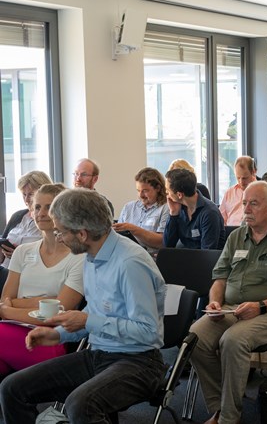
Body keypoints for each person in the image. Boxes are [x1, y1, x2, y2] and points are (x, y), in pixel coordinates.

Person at [0, 189, 166, 423]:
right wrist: (58, 335)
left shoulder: (130, 263)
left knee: (80, 405)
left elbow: (148, 332)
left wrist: (87, 321)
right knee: (12, 388)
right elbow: (96, 311)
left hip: (140, 362)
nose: (58, 238)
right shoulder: (91, 255)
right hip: (99, 354)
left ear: (82, 234)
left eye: (61, 232)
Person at [189, 181, 267, 424]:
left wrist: (260, 306)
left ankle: (228, 418)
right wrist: (215, 303)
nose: (246, 209)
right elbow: (220, 279)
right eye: (244, 203)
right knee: (195, 337)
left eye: (254, 203)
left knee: (233, 340)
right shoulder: (236, 237)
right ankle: (220, 407)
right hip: (232, 309)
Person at [0, 184, 84, 378]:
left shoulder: (79, 257)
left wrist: (8, 310)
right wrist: (44, 300)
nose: (41, 213)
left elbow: (58, 311)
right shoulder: (23, 251)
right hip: (10, 329)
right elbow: (6, 297)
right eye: (37, 207)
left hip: (50, 337)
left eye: (49, 207)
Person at [1, 171, 52, 269]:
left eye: (31, 194)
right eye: (24, 194)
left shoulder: (50, 221)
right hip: (5, 269)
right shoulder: (17, 216)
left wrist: (20, 256)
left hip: (28, 272)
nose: (26, 199)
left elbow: (51, 256)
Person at [163, 168, 225, 250]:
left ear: (179, 195)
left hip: (205, 257)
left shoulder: (209, 213)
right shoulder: (179, 208)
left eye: (168, 190)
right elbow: (168, 245)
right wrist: (173, 213)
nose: (166, 193)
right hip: (186, 256)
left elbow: (207, 252)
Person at [113, 167, 169, 253]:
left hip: (151, 256)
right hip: (126, 254)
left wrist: (133, 229)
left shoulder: (166, 208)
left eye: (145, 191)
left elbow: (162, 242)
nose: (141, 195)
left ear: (158, 188)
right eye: (138, 190)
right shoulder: (128, 207)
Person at [219, 156, 257, 226]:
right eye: (238, 178)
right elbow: (220, 219)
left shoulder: (261, 192)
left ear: (253, 172)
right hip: (230, 231)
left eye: (244, 178)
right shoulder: (229, 192)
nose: (241, 182)